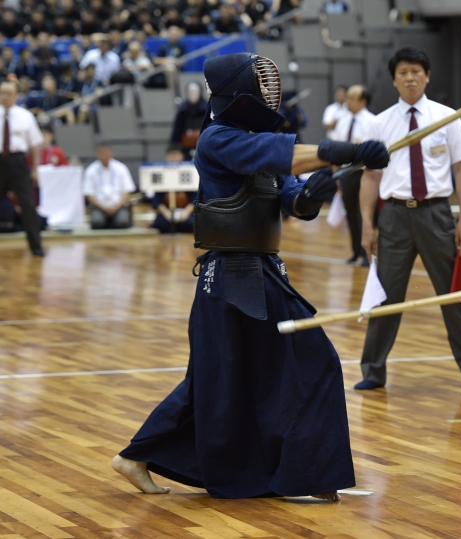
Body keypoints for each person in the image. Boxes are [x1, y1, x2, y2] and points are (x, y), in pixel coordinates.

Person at [111, 52, 390, 500]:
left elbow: (294, 203)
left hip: (264, 272)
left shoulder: (261, 139)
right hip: (228, 277)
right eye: (259, 84)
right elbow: (280, 157)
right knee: (220, 379)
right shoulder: (217, 139)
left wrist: (318, 190)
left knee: (271, 368)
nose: (267, 93)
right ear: (237, 92)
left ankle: (307, 473)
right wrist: (346, 151)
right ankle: (137, 457)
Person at [357, 47, 461, 391]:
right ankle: (372, 372)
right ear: (394, 79)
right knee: (386, 297)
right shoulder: (379, 123)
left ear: (427, 76)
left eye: (416, 71)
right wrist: (365, 224)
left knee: (454, 293)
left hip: (437, 214)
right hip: (394, 217)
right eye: (403, 72)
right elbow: (370, 178)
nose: (410, 77)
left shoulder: (447, 117)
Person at [331, 84, 376, 265]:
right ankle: (356, 251)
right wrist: (336, 175)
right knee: (350, 212)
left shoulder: (373, 122)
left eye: (351, 98)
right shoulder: (343, 120)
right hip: (347, 173)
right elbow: (335, 149)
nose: (347, 101)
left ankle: (367, 254)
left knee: (364, 214)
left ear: (362, 101)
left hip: (365, 174)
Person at [0, 80, 45, 256]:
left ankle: (36, 247)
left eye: (8, 93)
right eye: (2, 92)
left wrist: (35, 169)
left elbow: (35, 146)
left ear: (16, 96)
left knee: (28, 205)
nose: (4, 96)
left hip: (18, 163)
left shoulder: (25, 116)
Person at [83, 144, 136, 229]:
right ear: (97, 155)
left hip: (118, 205)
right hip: (99, 206)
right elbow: (89, 194)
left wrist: (117, 207)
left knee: (122, 223)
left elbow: (127, 190)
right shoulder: (91, 170)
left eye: (106, 152)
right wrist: (102, 207)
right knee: (97, 223)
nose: (104, 155)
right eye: (101, 153)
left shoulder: (121, 168)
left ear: (111, 153)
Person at [150, 146, 195, 234]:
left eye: (176, 155)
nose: (174, 158)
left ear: (182, 156)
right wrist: (167, 214)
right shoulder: (161, 173)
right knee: (161, 224)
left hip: (186, 211)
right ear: (167, 157)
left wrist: (185, 213)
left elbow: (195, 198)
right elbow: (157, 200)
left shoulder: (190, 172)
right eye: (171, 155)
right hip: (168, 210)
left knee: (190, 224)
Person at [171, 82, 207, 160]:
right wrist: (175, 149)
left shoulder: (206, 111)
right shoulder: (182, 112)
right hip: (185, 149)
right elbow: (176, 132)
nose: (193, 95)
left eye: (195, 92)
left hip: (203, 148)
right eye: (190, 92)